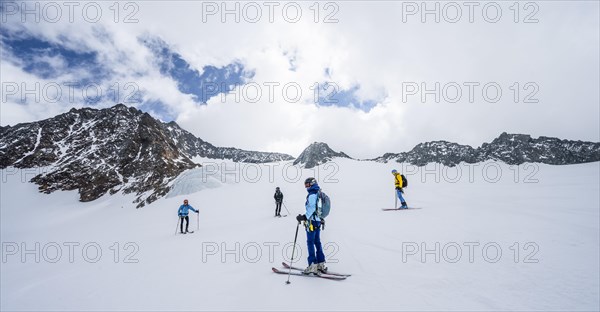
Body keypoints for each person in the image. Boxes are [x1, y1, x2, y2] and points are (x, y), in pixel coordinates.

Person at [296, 177, 327, 274]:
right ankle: (320, 264)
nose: (306, 187)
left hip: (312, 222)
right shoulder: (319, 193)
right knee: (317, 242)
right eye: (305, 185)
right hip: (317, 221)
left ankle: (313, 265)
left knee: (310, 242)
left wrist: (304, 217)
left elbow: (312, 208)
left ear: (312, 184)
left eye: (308, 184)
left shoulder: (312, 194)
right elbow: (319, 208)